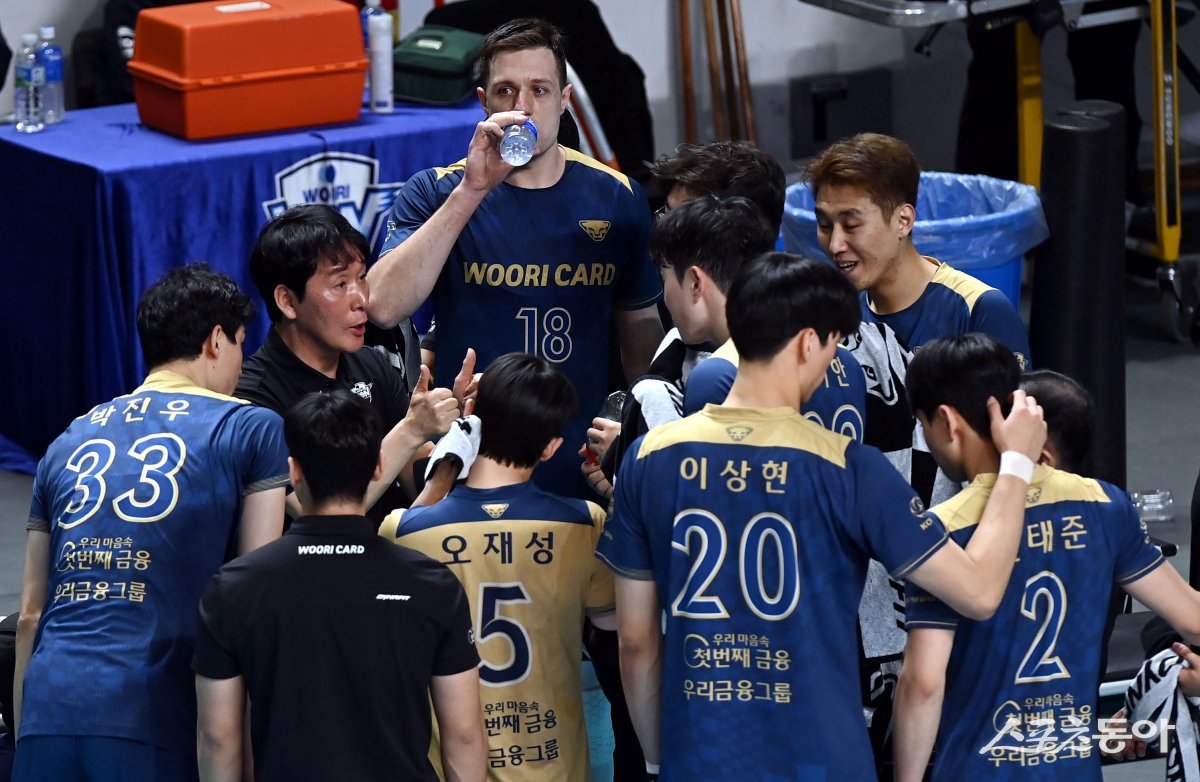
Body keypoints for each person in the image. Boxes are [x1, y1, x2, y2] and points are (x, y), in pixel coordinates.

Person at [597, 252, 1047, 781]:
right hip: (825, 759)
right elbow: (978, 591)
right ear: (809, 343)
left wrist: (657, 762)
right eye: (835, 345)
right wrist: (1016, 463)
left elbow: (636, 643)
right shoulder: (850, 468)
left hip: (700, 757)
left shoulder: (647, 459)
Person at [367, 17, 665, 502]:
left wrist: (639, 441)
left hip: (579, 464)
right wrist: (473, 190)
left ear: (564, 100)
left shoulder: (617, 196)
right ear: (483, 102)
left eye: (539, 90)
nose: (522, 107)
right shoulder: (438, 190)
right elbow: (381, 305)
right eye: (505, 91)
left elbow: (642, 340)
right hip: (469, 466)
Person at [12, 265, 289, 782]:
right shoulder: (251, 426)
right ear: (216, 340)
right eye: (240, 344)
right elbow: (253, 601)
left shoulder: (66, 440)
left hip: (46, 710)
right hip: (155, 715)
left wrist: (28, 731)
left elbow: (30, 615)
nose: (241, 363)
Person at [893, 333, 1200, 781]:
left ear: (946, 421)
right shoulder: (1106, 505)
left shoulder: (941, 529)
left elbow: (923, 683)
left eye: (923, 424)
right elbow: (1193, 618)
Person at [193, 390, 486, 782]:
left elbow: (217, 739)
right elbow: (464, 734)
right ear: (378, 467)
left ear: (293, 472)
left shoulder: (233, 588)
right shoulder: (432, 584)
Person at [380, 353, 614, 781]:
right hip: (555, 767)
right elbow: (612, 621)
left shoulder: (404, 530)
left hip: (448, 767)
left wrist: (444, 470)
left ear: (471, 414)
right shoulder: (586, 523)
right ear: (550, 447)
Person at [236, 203, 461, 523]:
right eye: (340, 285)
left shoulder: (372, 365)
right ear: (287, 301)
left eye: (362, 278)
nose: (361, 300)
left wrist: (464, 434)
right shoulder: (252, 400)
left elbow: (420, 483)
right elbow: (317, 514)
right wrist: (411, 429)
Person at [808, 132, 1031, 368]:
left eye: (851, 225)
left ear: (903, 221)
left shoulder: (979, 309)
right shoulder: (833, 316)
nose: (835, 245)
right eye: (824, 225)